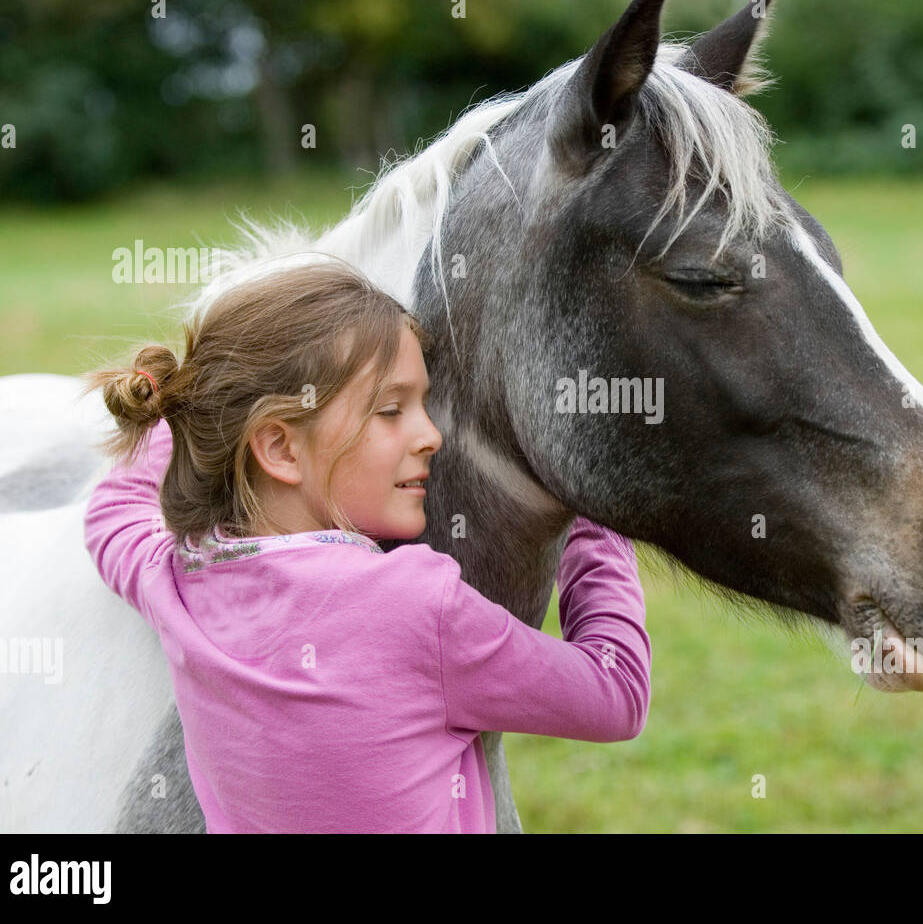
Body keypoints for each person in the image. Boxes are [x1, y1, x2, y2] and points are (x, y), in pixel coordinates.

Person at [81, 258, 650, 833]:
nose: (430, 436)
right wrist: (593, 520)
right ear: (278, 448)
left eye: (424, 405)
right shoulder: (416, 605)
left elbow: (114, 512)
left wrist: (187, 408)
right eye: (390, 410)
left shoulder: (179, 581)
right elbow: (616, 691)